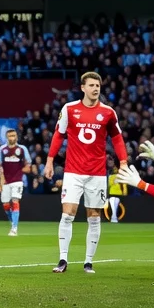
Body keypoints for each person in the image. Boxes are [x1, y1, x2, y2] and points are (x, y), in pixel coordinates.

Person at [42, 71, 128, 275]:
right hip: (73, 172)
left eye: (97, 85)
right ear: (82, 88)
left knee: (94, 216)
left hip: (97, 173)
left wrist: (123, 162)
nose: (95, 88)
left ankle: (88, 262)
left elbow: (117, 138)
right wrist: (50, 160)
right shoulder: (70, 109)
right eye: (91, 85)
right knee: (68, 214)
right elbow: (58, 135)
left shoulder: (108, 112)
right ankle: (63, 259)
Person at [0, 128, 32, 236]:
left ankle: (14, 228)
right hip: (6, 181)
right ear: (7, 137)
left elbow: (28, 164)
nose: (12, 137)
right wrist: (1, 179)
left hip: (17, 180)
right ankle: (13, 222)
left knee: (15, 201)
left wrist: (23, 169)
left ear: (16, 136)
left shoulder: (22, 149)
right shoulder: (2, 149)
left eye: (14, 135)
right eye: (10, 136)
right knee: (6, 205)